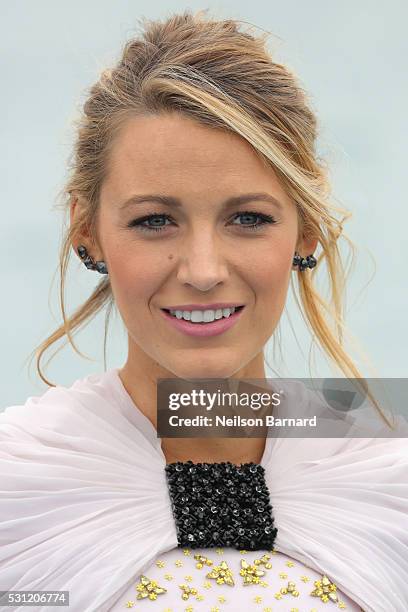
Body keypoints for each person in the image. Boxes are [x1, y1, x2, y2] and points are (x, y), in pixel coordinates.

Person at [0, 9, 406, 612]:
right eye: (154, 221)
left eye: (248, 219)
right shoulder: (18, 486)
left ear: (308, 232)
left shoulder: (389, 475)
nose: (203, 270)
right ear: (87, 232)